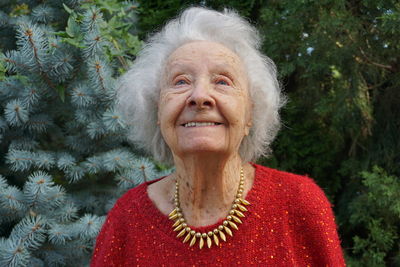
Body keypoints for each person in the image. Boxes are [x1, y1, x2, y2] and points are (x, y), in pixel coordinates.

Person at [91, 7, 345, 266]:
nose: (199, 96)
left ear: (250, 114)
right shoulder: (128, 218)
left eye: (222, 81)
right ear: (157, 111)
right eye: (180, 82)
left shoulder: (300, 204)